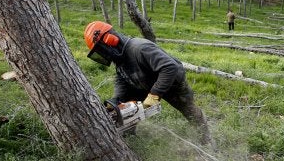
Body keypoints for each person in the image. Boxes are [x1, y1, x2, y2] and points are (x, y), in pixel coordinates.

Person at [83, 21, 211, 143]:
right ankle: (129, 139)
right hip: (144, 82)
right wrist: (117, 99)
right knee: (126, 110)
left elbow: (170, 67)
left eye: (101, 51)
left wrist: (155, 94)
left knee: (189, 110)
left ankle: (206, 140)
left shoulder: (139, 48)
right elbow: (121, 77)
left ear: (110, 40)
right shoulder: (120, 57)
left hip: (171, 82)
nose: (104, 55)